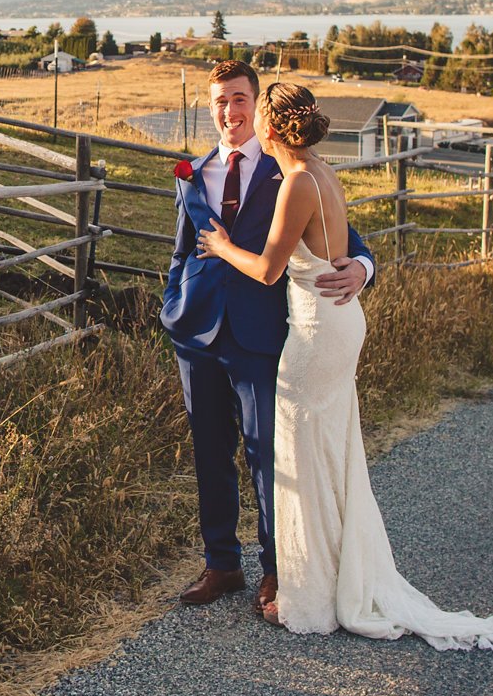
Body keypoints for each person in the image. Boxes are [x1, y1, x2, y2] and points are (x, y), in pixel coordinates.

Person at [195, 82, 493, 651]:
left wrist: (220, 245)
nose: (248, 122)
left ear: (271, 126)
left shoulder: (296, 184)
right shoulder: (321, 170)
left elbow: (266, 270)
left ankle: (309, 598)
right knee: (331, 453)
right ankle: (335, 579)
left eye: (255, 111)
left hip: (316, 333)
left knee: (304, 455)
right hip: (337, 322)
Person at [160, 60, 377, 615]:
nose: (228, 111)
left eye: (238, 99)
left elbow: (344, 235)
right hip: (197, 334)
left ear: (257, 107)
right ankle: (221, 564)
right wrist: (173, 305)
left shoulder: (290, 169)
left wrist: (363, 266)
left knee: (268, 456)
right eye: (218, 102)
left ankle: (279, 571)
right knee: (209, 451)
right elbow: (183, 249)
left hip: (263, 335)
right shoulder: (194, 174)